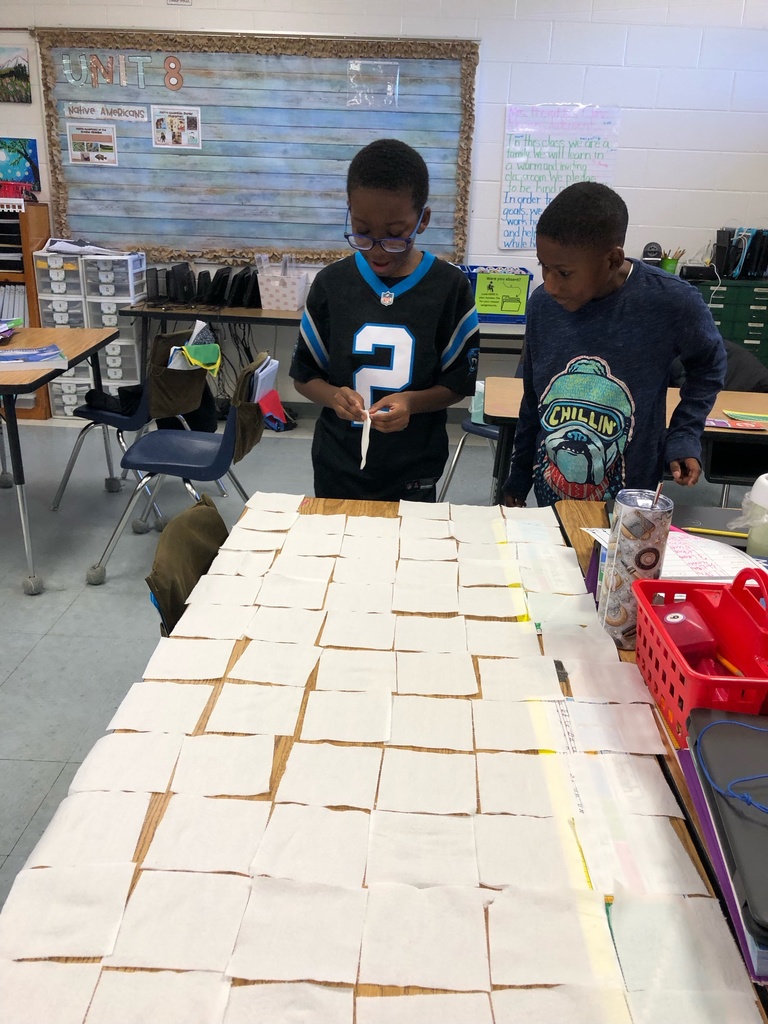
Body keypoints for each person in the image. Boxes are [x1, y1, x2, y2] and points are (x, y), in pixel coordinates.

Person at [503, 182, 726, 507]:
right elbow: (533, 400)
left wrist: (683, 434)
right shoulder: (542, 305)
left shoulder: (671, 301)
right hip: (550, 500)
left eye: (564, 272)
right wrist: (519, 475)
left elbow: (710, 367)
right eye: (543, 267)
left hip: (629, 503)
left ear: (612, 260)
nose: (549, 284)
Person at [289, 138, 479, 502]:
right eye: (361, 232)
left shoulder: (449, 287)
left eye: (394, 236)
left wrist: (413, 402)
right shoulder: (332, 284)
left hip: (414, 470)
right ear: (349, 210)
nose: (376, 248)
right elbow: (305, 376)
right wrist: (332, 396)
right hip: (338, 466)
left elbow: (457, 385)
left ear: (422, 220)